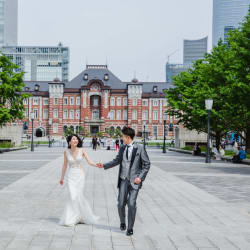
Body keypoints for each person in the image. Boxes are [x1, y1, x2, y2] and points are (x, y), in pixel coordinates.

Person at [96, 126, 151, 236]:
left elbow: (147, 164)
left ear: (128, 137)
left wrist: (140, 177)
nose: (122, 138)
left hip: (135, 181)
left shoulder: (140, 148)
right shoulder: (122, 147)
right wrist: (104, 165)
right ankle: (122, 222)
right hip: (123, 180)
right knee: (120, 204)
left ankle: (130, 228)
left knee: (131, 204)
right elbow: (117, 160)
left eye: (123, 136)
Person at [59, 134, 100, 226]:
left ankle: (80, 216)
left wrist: (97, 164)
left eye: (76, 139)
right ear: (69, 142)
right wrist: (61, 178)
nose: (76, 140)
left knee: (78, 196)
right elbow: (65, 165)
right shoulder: (66, 152)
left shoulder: (82, 150)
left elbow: (89, 162)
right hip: (71, 176)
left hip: (80, 176)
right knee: (72, 196)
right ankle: (71, 217)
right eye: (73, 139)